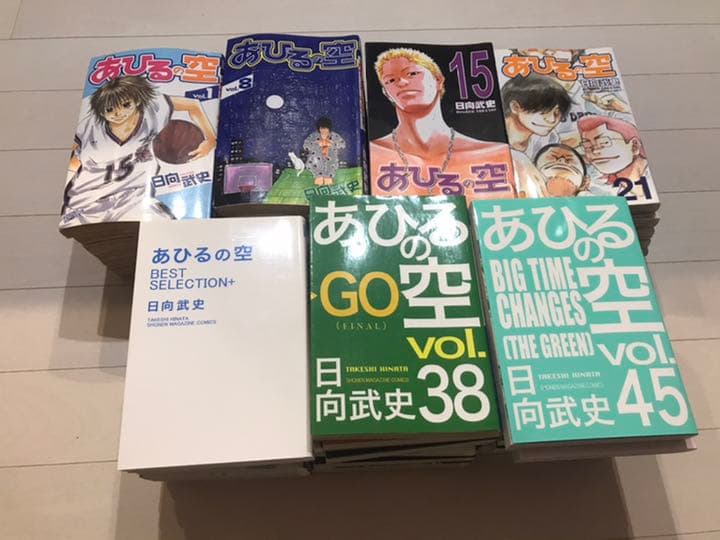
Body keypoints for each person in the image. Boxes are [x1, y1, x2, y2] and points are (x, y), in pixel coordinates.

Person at [370, 47, 534, 199]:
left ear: (438, 80)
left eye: (412, 73)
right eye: (390, 80)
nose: (401, 82)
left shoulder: (499, 155)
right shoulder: (372, 154)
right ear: (386, 93)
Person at [62, 75, 216, 226]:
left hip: (133, 197)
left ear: (136, 101)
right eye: (110, 109)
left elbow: (192, 105)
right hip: (88, 201)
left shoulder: (154, 109)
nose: (118, 113)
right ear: (101, 112)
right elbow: (73, 161)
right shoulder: (88, 128)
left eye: (125, 105)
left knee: (168, 230)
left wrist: (210, 139)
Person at [501, 73, 572, 157]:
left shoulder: (548, 139)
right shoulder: (494, 139)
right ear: (515, 107)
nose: (552, 119)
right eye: (543, 111)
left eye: (557, 112)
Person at [303, 117, 346, 186]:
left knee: (328, 180)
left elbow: (343, 145)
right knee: (318, 181)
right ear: (319, 128)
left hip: (330, 161)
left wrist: (332, 144)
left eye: (325, 128)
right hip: (316, 162)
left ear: (329, 128)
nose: (324, 130)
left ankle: (328, 181)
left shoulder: (335, 136)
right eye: (322, 128)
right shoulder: (313, 136)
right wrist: (316, 144)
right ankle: (318, 180)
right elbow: (305, 145)